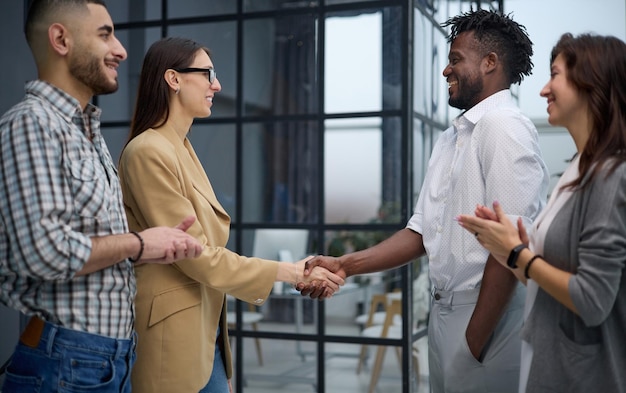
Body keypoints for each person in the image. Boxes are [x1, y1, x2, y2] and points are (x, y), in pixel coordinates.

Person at [299, 9, 550, 393]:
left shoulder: (504, 128)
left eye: (455, 60)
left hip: (486, 317)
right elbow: (421, 232)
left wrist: (473, 341)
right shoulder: (453, 137)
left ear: (489, 63)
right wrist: (345, 264)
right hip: (446, 314)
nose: (446, 71)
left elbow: (510, 246)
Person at [117, 36, 344, 393]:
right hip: (172, 337)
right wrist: (286, 271)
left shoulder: (180, 148)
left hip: (204, 335)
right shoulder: (148, 151)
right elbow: (195, 255)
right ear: (173, 79)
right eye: (208, 73)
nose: (216, 85)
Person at [0, 1, 205, 392]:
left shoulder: (87, 132)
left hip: (108, 358)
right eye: (105, 34)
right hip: (65, 359)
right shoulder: (31, 125)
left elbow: (93, 239)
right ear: (61, 39)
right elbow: (43, 252)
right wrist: (141, 242)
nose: (122, 50)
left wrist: (149, 248)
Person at [457, 33, 626, 393]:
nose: (544, 89)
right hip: (551, 367)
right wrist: (507, 249)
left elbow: (592, 301)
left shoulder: (613, 177)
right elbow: (545, 282)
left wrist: (518, 253)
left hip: (587, 377)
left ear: (590, 82)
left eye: (555, 75)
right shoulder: (576, 172)